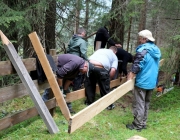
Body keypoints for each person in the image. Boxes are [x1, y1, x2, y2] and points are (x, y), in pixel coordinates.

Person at [126, 29, 161, 131]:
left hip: (142, 81)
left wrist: (129, 79)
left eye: (141, 39)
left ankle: (137, 125)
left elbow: (136, 66)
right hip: (152, 82)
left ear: (145, 39)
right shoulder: (156, 50)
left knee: (139, 103)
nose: (139, 41)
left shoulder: (143, 50)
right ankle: (143, 122)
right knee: (146, 103)